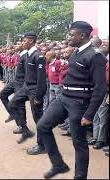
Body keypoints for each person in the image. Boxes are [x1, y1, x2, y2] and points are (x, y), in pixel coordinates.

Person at [37, 21, 107, 179]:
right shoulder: (76, 52)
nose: (68, 37)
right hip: (64, 97)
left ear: (82, 36)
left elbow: (100, 88)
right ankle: (58, 164)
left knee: (79, 143)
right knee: (42, 126)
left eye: (71, 34)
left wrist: (89, 114)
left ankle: (80, 177)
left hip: (79, 102)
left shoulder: (95, 56)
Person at [8, 32, 47, 156]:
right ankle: (25, 130)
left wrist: (39, 96)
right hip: (26, 87)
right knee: (13, 103)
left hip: (35, 89)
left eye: (24, 40)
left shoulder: (38, 56)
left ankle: (43, 145)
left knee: (38, 117)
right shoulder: (27, 55)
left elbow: (42, 79)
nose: (22, 43)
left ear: (31, 41)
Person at [0, 46, 28, 134]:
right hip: (16, 80)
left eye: (20, 43)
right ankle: (13, 113)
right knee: (2, 94)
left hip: (22, 82)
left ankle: (22, 126)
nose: (15, 46)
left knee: (20, 103)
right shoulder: (19, 55)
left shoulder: (27, 55)